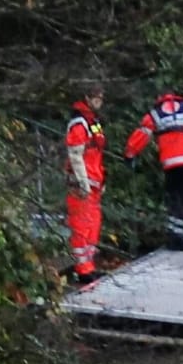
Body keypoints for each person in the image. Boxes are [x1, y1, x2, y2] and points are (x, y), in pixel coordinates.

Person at [123, 88, 183, 250]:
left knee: (174, 197)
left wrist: (129, 154)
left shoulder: (155, 114)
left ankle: (176, 236)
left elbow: (142, 134)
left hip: (171, 162)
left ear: (160, 98)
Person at [64, 85, 108, 285]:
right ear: (87, 98)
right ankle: (83, 269)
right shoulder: (80, 123)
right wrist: (83, 183)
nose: (99, 101)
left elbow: (96, 155)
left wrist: (101, 180)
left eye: (101, 98)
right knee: (81, 227)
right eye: (96, 98)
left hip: (94, 182)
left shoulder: (92, 122)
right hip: (82, 185)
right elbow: (75, 155)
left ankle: (89, 266)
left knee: (92, 226)